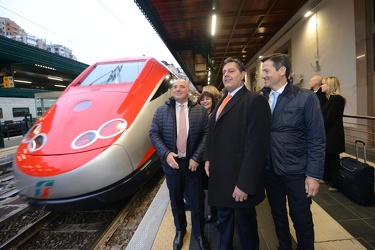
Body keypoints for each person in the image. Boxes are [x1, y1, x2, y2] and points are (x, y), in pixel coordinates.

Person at [204, 57, 271, 249]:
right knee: (225, 223)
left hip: (240, 181)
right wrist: (207, 158)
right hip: (222, 178)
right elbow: (212, 132)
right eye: (224, 72)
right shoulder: (223, 100)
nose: (226, 74)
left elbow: (257, 147)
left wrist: (245, 184)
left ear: (243, 75)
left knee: (245, 227)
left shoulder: (254, 100)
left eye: (231, 71)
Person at [260, 53, 326, 250]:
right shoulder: (262, 98)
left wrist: (313, 175)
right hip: (270, 170)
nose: (263, 75)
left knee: (301, 217)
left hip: (297, 171)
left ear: (282, 71)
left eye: (266, 70)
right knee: (277, 214)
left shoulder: (305, 98)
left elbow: (317, 138)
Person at [149, 79, 209, 250]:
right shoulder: (161, 111)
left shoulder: (200, 111)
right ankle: (180, 230)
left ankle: (199, 232)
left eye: (182, 86)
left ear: (188, 90)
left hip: (192, 165)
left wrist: (197, 157)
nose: (178, 89)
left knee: (197, 201)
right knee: (176, 201)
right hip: (172, 165)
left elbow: (206, 134)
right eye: (175, 87)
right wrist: (166, 154)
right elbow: (153, 133)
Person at [321, 76, 346, 192]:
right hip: (327, 133)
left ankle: (336, 183)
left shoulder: (337, 99)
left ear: (330, 85)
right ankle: (327, 177)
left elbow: (329, 118)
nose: (322, 86)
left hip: (333, 134)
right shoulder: (328, 99)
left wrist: (319, 128)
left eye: (324, 84)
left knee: (333, 158)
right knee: (327, 156)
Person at [197, 91, 218, 225]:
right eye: (202, 99)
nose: (205, 101)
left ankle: (218, 216)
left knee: (216, 188)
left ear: (212, 100)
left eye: (208, 99)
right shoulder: (198, 116)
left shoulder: (217, 114)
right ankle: (213, 213)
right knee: (208, 188)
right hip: (201, 158)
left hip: (215, 157)